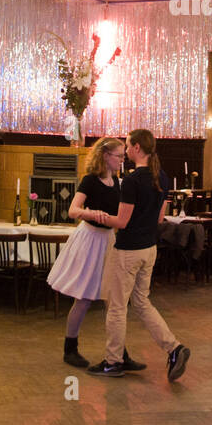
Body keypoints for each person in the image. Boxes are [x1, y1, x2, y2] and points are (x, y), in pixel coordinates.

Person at [88, 129, 190, 381]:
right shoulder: (162, 177)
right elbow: (157, 218)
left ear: (136, 148)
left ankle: (113, 362)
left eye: (127, 146)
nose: (126, 151)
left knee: (116, 307)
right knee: (142, 303)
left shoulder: (133, 181)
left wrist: (94, 215)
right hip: (149, 249)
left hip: (127, 251)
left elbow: (121, 222)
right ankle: (174, 348)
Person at [49, 136, 130, 369]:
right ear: (106, 156)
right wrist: (94, 214)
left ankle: (119, 352)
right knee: (83, 298)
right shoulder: (90, 181)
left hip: (108, 240)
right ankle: (70, 348)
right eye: (119, 156)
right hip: (90, 239)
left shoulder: (117, 182)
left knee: (112, 300)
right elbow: (73, 211)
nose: (122, 160)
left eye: (124, 155)